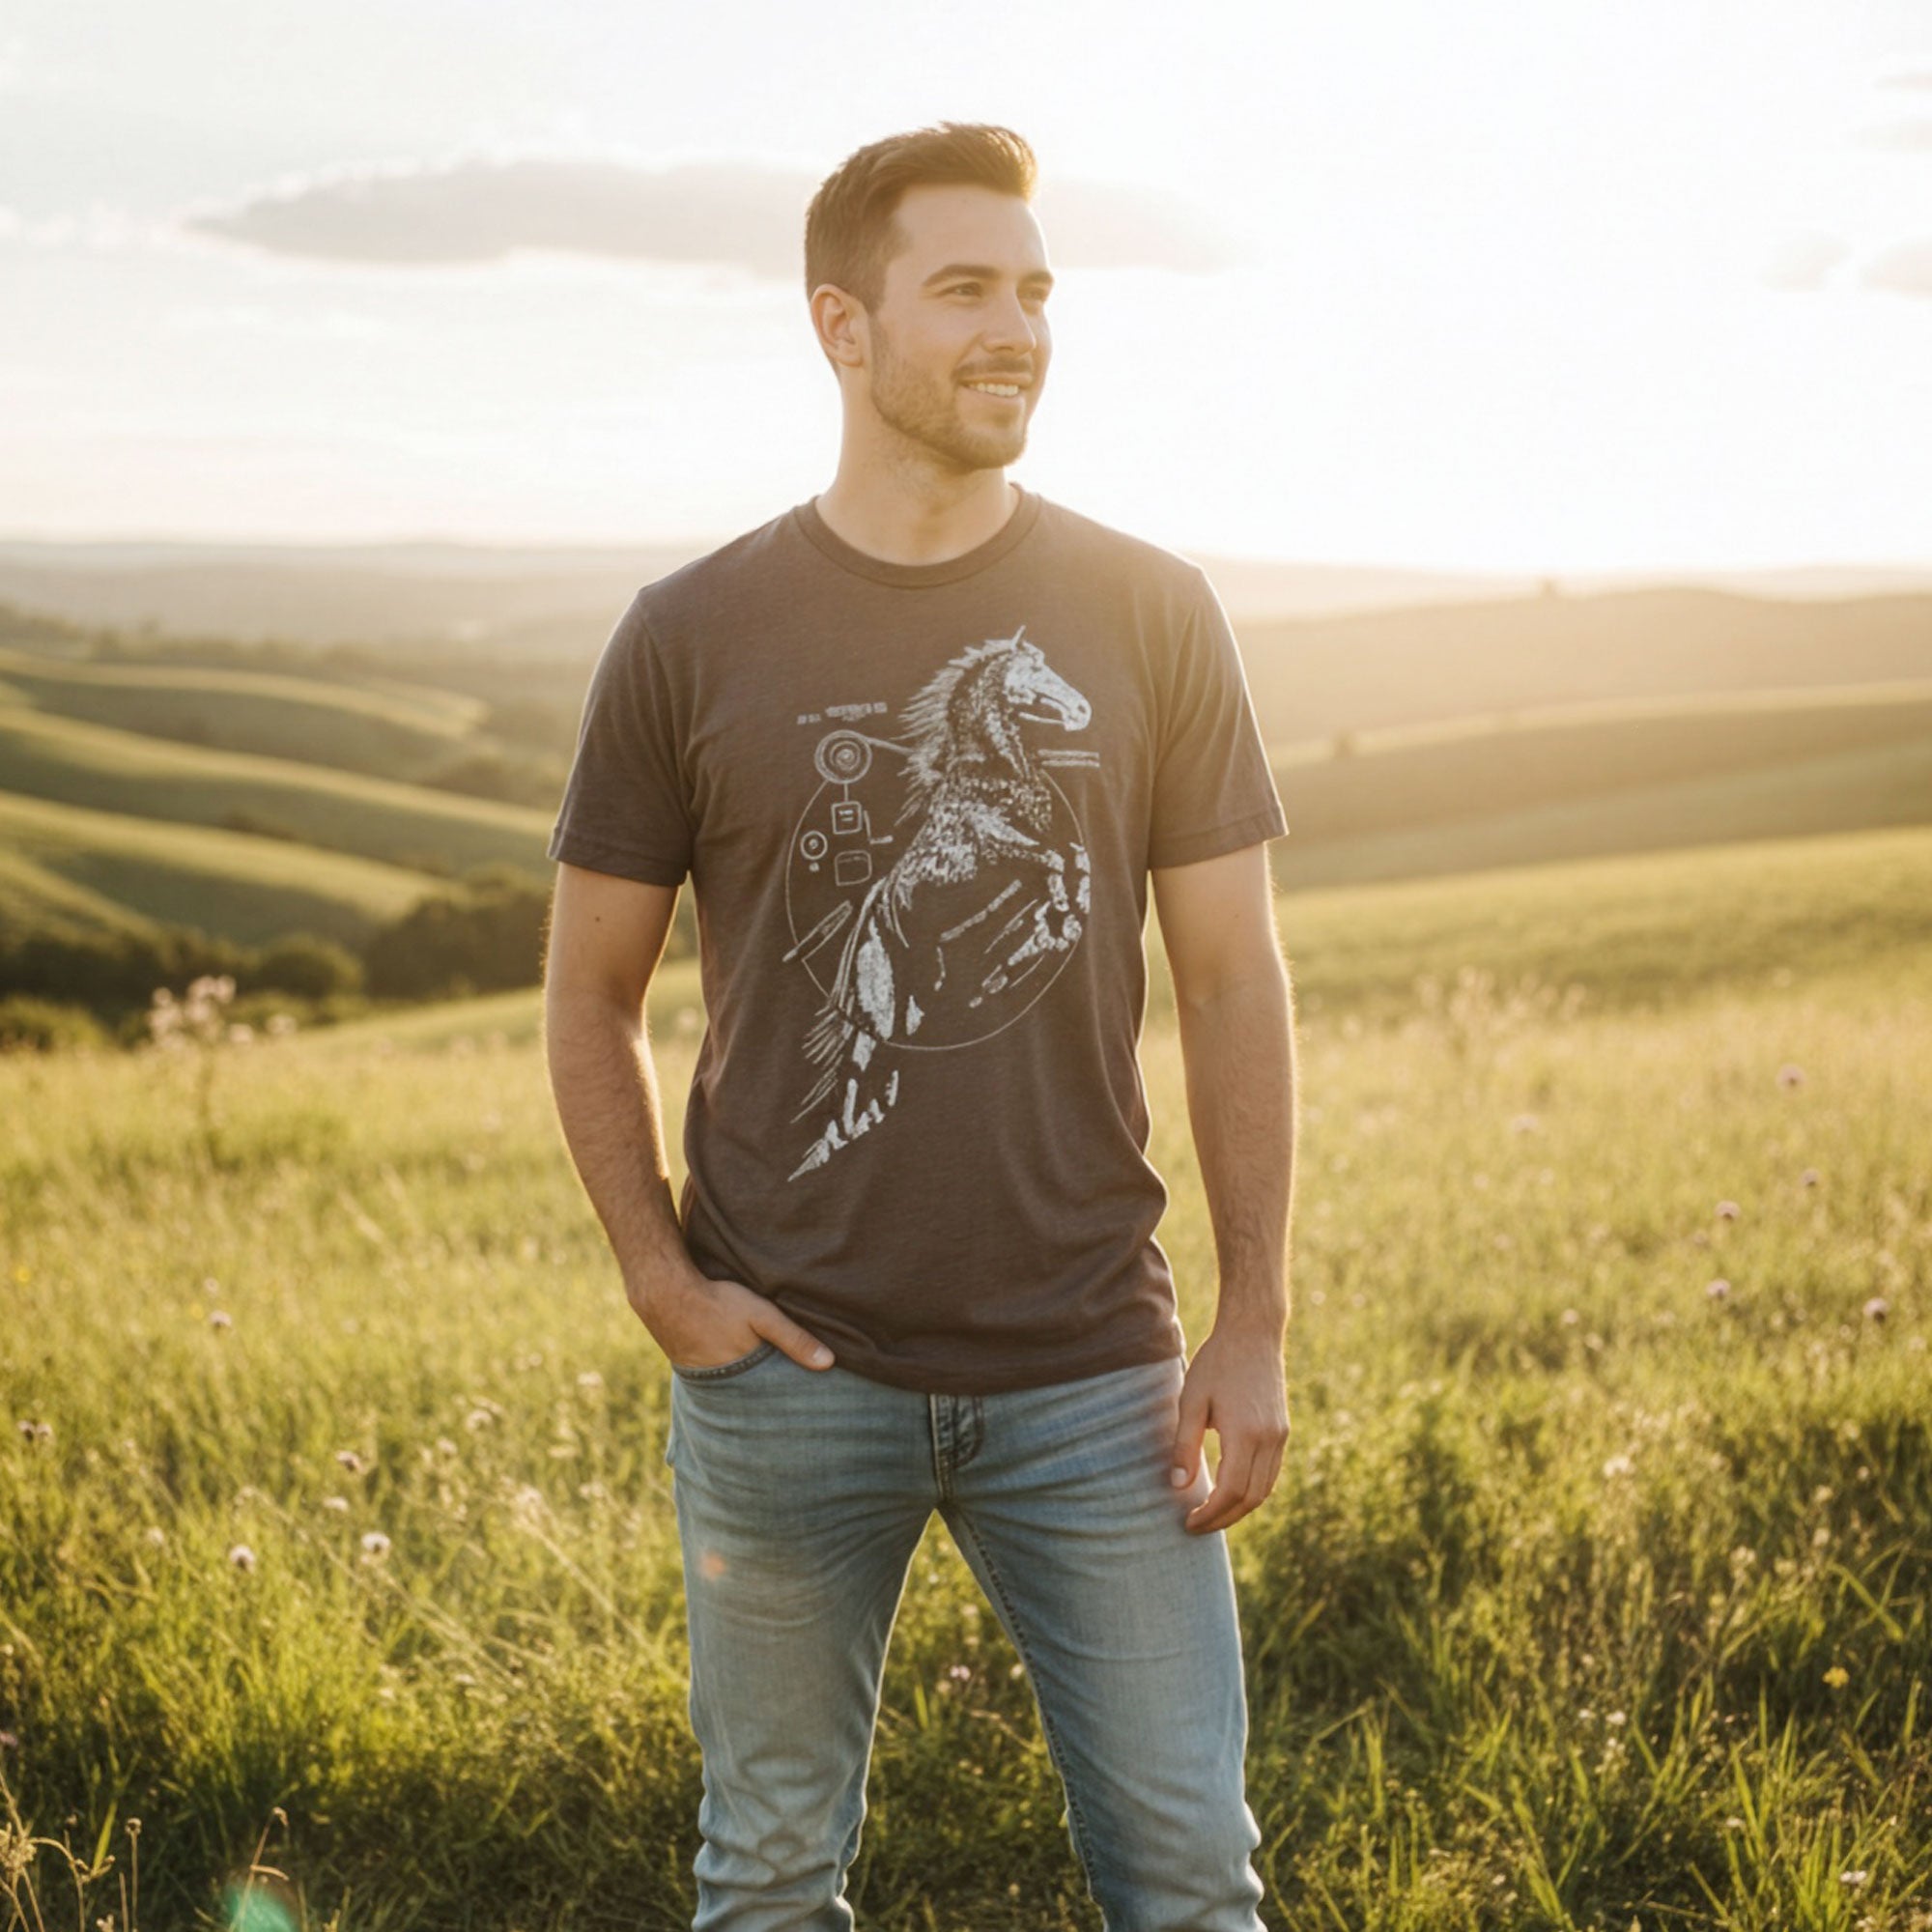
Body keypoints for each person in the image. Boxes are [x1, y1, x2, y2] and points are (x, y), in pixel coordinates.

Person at [542, 121, 1296, 1932]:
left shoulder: (1149, 610)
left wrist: (1256, 1317)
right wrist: (660, 1276)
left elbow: (1230, 980)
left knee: (1193, 1879)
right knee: (770, 1877)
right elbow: (588, 989)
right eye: (964, 287)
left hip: (1094, 1373)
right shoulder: (690, 632)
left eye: (1035, 289)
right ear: (842, 326)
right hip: (790, 1377)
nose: (1015, 327)